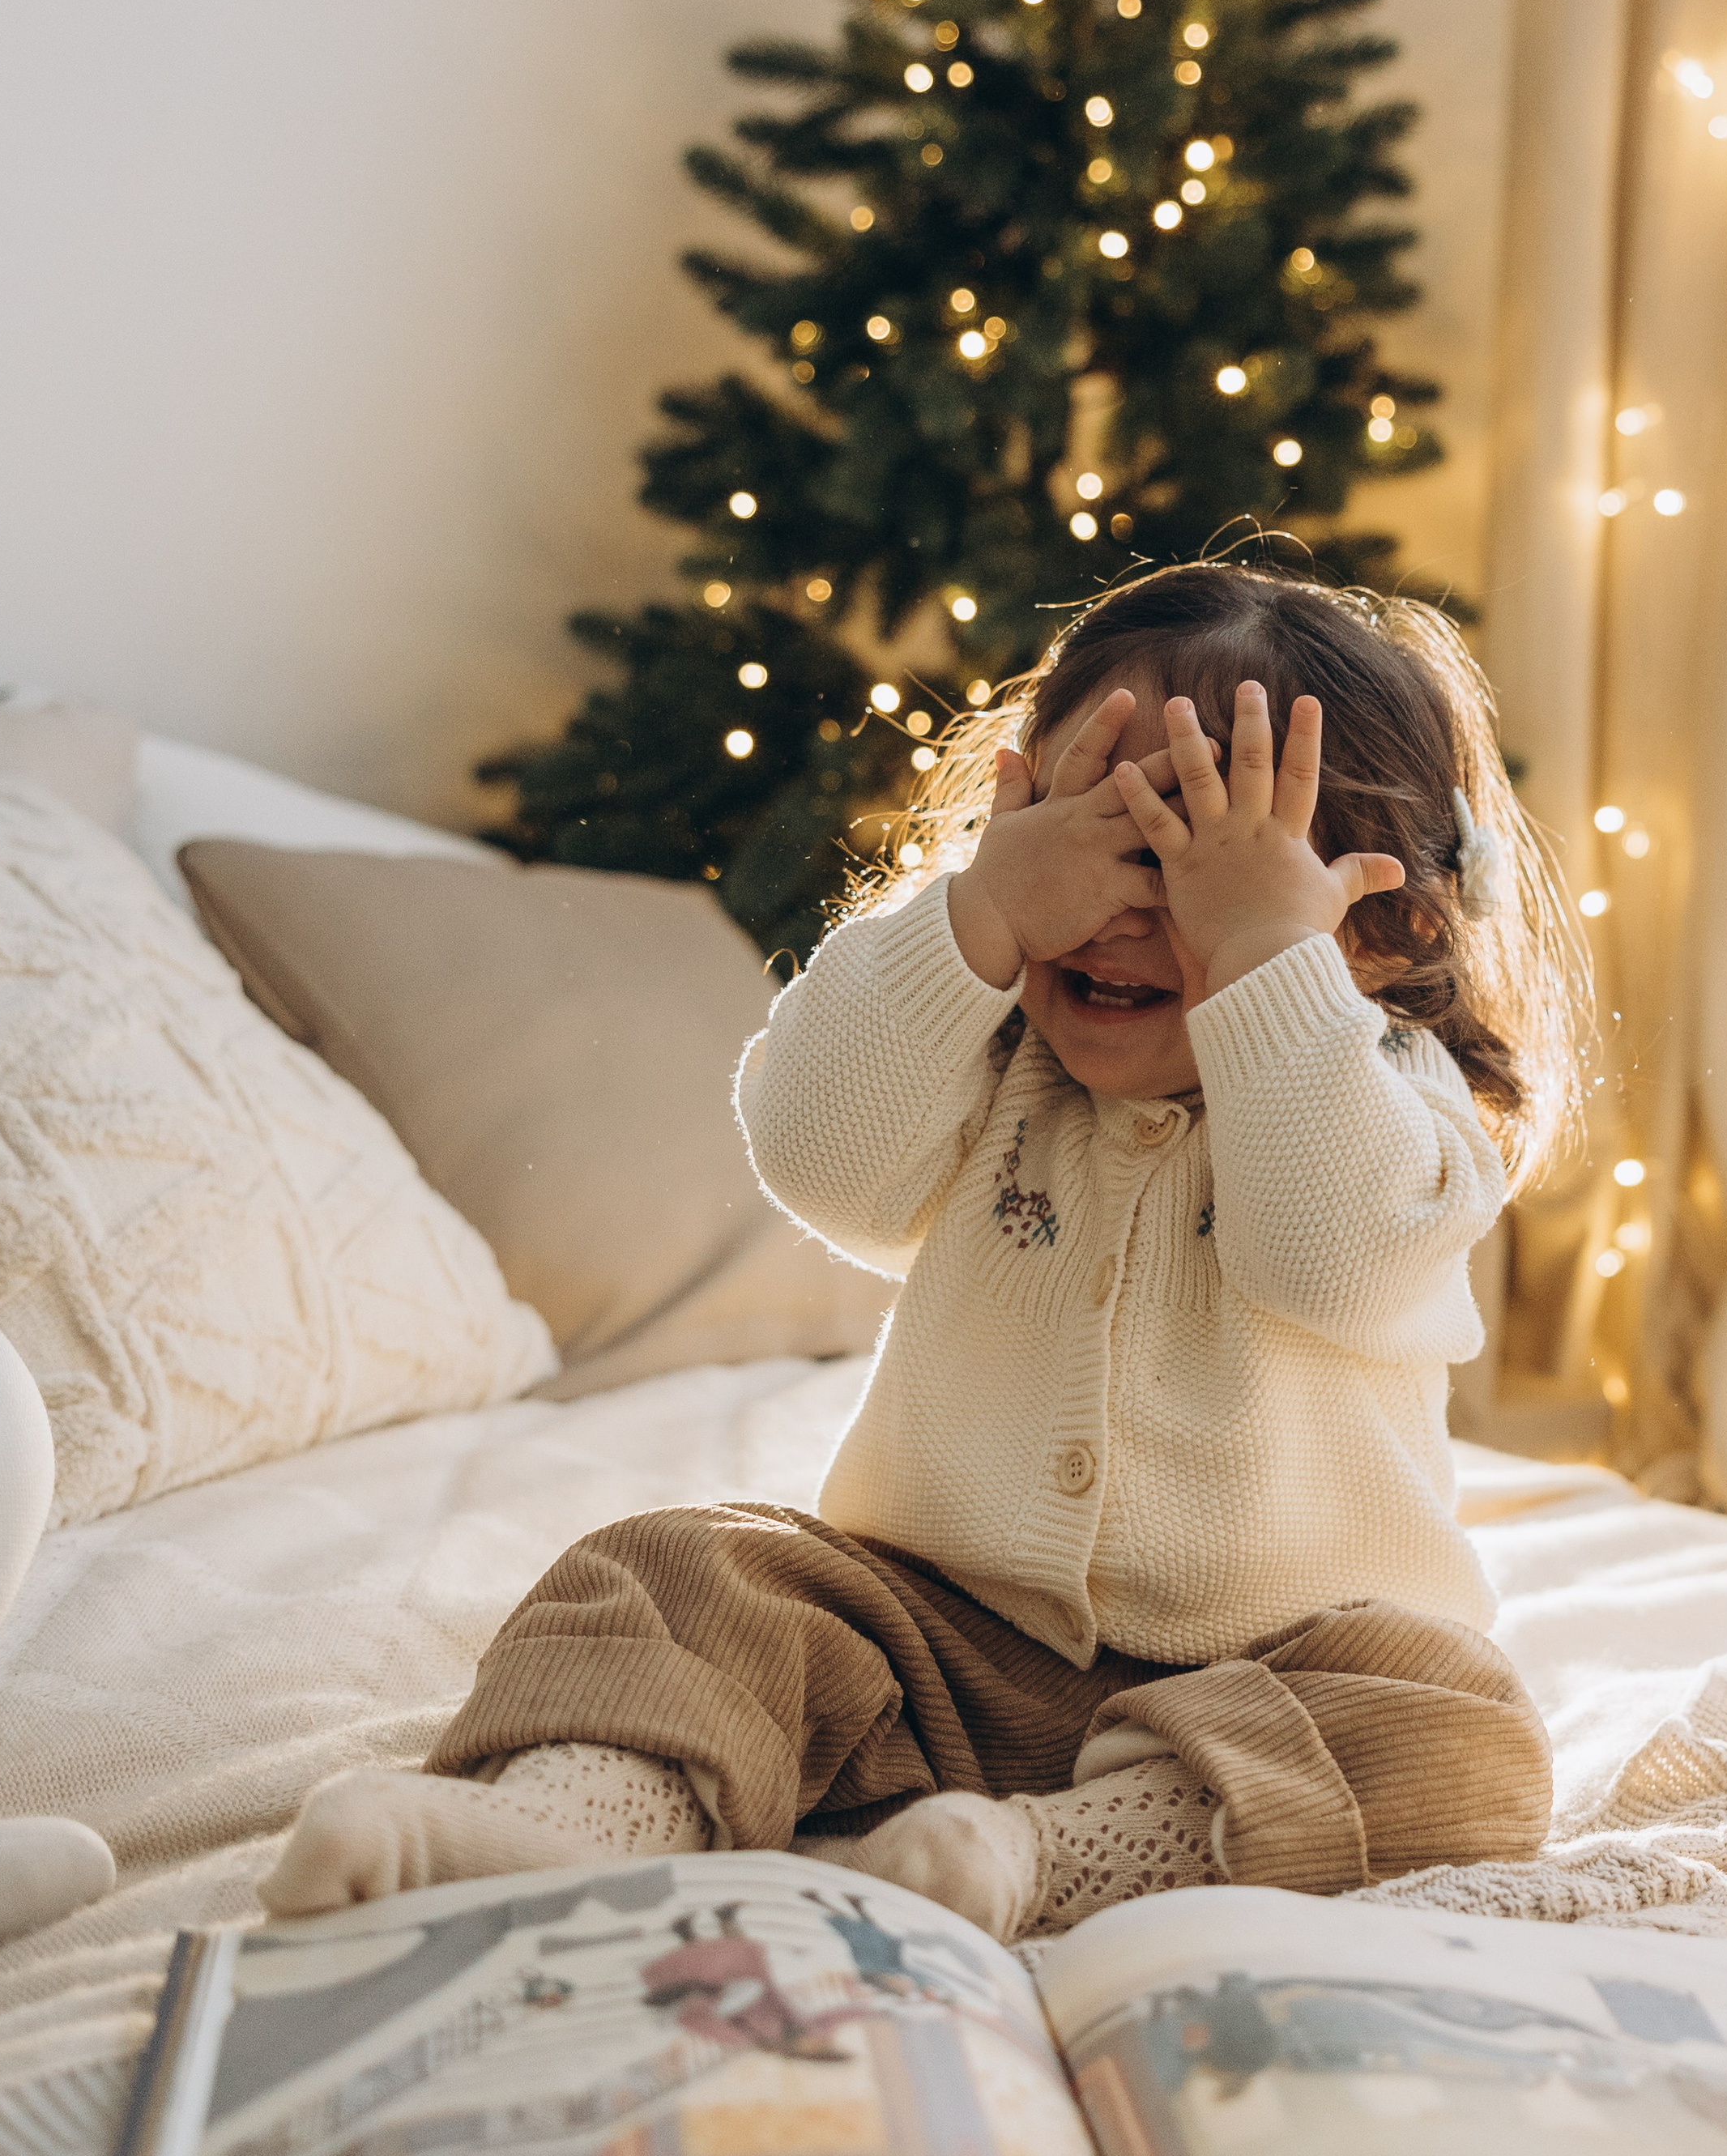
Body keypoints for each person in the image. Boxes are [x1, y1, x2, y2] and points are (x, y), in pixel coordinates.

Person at [266, 563, 1588, 1941]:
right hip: (926, 1650)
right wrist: (982, 913)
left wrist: (1266, 961)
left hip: (1267, 1685)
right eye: (1095, 837)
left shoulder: (1398, 1103)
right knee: (686, 1569)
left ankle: (1042, 1858)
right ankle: (564, 1828)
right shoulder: (987, 1064)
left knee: (1462, 1733)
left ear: (1383, 933)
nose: (1126, 911)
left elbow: (1332, 1258)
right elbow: (812, 1153)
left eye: (1203, 869)